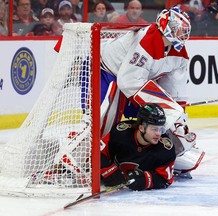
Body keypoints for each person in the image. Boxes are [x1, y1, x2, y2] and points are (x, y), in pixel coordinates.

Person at [55, 6, 204, 176]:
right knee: (100, 122)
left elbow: (174, 90)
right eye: (177, 30)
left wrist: (178, 119)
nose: (181, 34)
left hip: (129, 79)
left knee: (155, 121)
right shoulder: (147, 40)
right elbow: (129, 81)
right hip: (103, 70)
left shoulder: (179, 52)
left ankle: (169, 156)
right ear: (164, 26)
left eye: (183, 31)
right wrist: (169, 108)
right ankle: (66, 163)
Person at [101, 103, 176, 190]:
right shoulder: (120, 133)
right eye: (154, 129)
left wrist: (145, 180)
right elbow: (98, 153)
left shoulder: (165, 149)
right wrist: (109, 172)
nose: (158, 134)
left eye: (161, 129)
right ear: (141, 128)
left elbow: (165, 179)